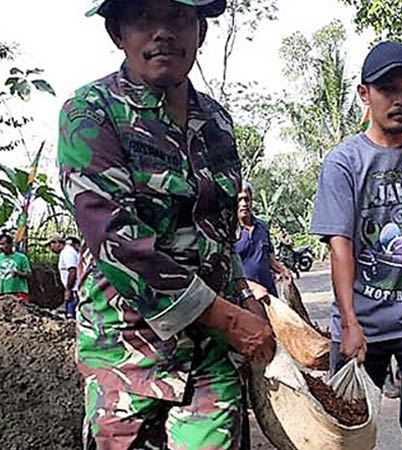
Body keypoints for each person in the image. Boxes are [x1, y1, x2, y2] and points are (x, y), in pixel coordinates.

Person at [57, 0, 275, 448]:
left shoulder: (215, 121)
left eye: (178, 17)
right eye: (142, 18)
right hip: (127, 360)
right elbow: (118, 241)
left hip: (212, 361)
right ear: (117, 33)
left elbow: (219, 235)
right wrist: (229, 319)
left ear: (201, 31)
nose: (162, 33)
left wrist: (246, 301)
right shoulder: (90, 113)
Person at [310, 41, 402, 450]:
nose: (399, 99)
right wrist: (350, 322)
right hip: (363, 324)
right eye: (386, 89)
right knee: (348, 434)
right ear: (365, 95)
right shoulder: (344, 162)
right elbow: (339, 245)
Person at [235, 182, 293, 297]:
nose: (244, 204)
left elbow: (269, 257)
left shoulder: (262, 227)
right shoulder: (229, 231)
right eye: (240, 200)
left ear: (251, 201)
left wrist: (283, 270)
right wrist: (252, 287)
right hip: (245, 296)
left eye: (247, 199)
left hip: (269, 292)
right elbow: (230, 272)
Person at [0, 233, 32, 302]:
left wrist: (18, 273)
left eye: (3, 244)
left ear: (11, 244)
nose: (1, 247)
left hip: (19, 292)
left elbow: (29, 274)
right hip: (2, 293)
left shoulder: (22, 258)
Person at [47, 234, 79, 319]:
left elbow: (72, 271)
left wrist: (68, 289)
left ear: (57, 243)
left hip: (74, 290)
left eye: (51, 245)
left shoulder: (67, 253)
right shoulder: (67, 251)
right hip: (74, 290)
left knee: (71, 318)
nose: (50, 248)